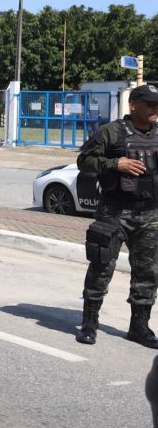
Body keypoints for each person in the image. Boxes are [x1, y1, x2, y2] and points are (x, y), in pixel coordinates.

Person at [76, 84, 158, 348]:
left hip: (151, 214)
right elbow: (84, 162)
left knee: (148, 273)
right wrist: (115, 164)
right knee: (101, 267)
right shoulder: (110, 132)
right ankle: (89, 323)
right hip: (114, 212)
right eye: (151, 104)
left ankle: (139, 327)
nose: (156, 109)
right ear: (134, 105)